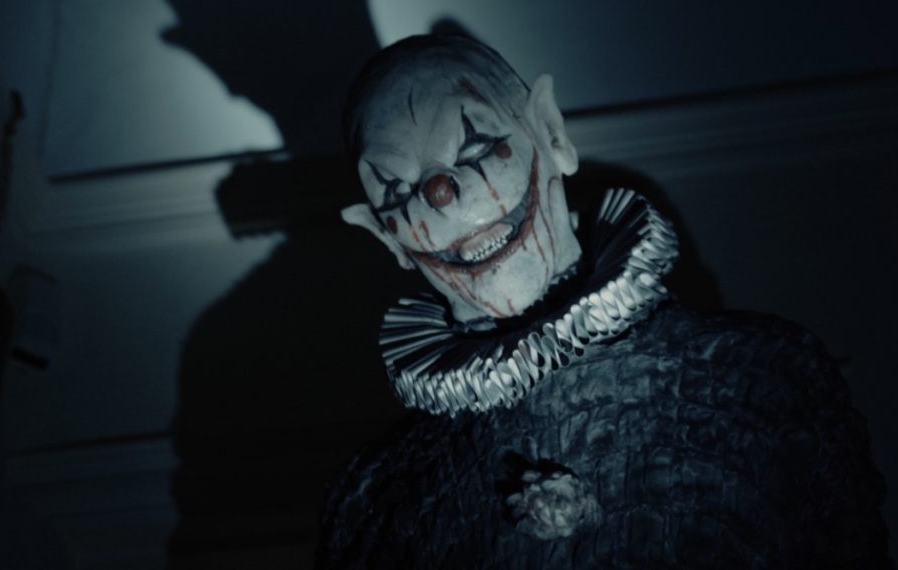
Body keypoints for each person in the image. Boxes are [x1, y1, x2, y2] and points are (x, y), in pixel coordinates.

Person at [316, 34, 892, 569]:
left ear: (550, 132)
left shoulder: (763, 379)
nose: (442, 195)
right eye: (397, 191)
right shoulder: (378, 499)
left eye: (478, 144)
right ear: (384, 236)